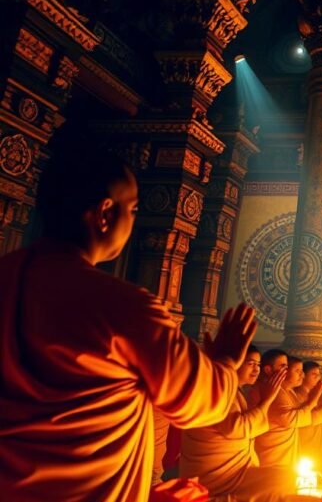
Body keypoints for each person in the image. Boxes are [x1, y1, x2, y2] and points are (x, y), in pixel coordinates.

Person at [0, 144, 255, 501]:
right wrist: (226, 361)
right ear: (105, 213)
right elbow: (202, 403)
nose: (133, 221)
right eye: (133, 209)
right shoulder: (121, 307)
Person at [179, 347, 290, 500]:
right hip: (216, 475)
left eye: (258, 364)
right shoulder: (217, 388)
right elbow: (237, 428)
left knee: (282, 478)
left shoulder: (235, 391)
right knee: (280, 481)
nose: (256, 370)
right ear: (234, 364)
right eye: (250, 364)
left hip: (233, 471)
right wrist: (267, 399)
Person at [255, 356, 322, 469]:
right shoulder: (275, 392)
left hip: (288, 454)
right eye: (298, 371)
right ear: (268, 370)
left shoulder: (288, 392)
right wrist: (315, 401)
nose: (302, 375)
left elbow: (304, 417)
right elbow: (292, 419)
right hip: (275, 456)